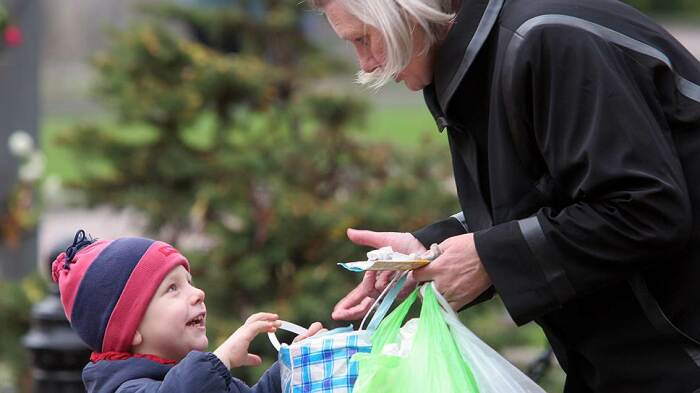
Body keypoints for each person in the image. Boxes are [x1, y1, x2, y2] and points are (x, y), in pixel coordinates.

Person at [309, 0, 700, 391]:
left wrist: (488, 259)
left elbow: (646, 209)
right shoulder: (486, 56)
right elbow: (554, 196)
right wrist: (426, 251)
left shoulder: (545, 38)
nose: (367, 64)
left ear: (408, 11)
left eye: (364, 38)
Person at [51, 230, 324, 393]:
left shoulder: (199, 378)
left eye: (190, 283)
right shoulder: (127, 388)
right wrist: (222, 357)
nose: (198, 294)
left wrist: (293, 366)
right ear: (130, 328)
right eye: (172, 288)